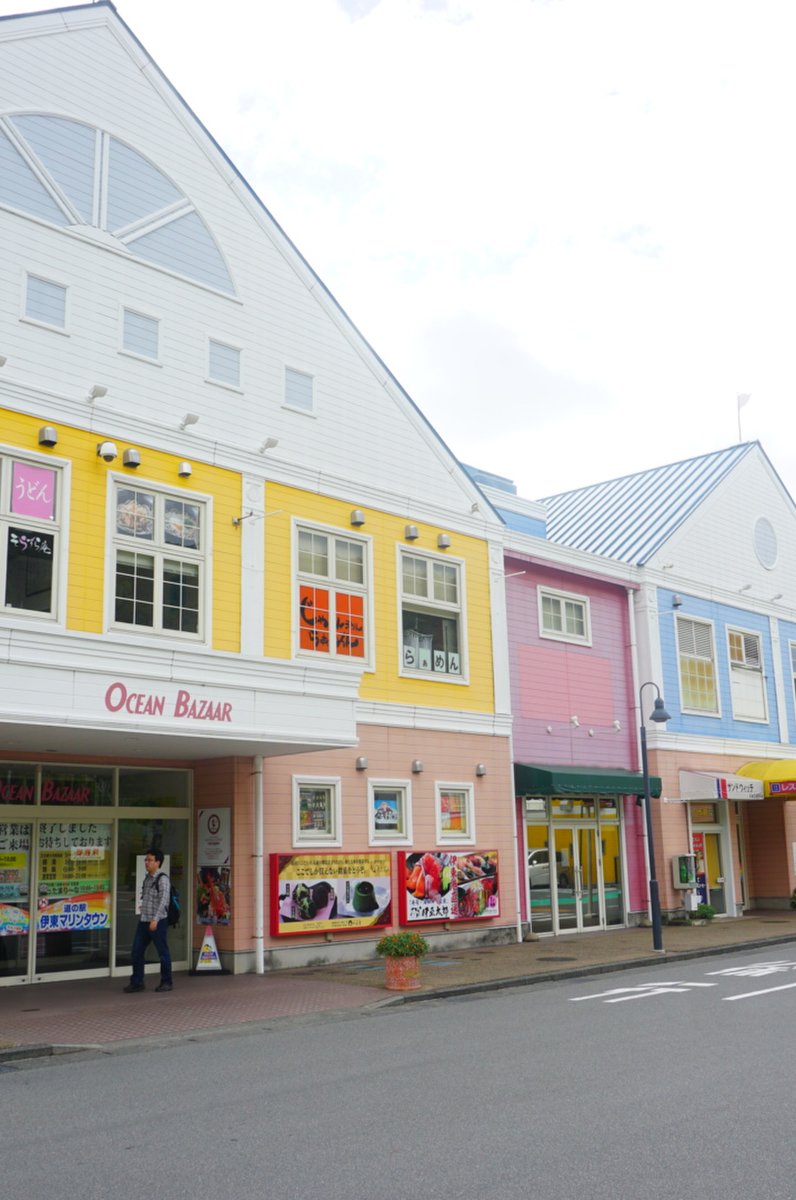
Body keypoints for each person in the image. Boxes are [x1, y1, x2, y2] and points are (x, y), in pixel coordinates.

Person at [124, 848, 173, 993]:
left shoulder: (163, 879)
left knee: (162, 952)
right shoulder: (147, 878)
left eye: (150, 860)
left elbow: (164, 901)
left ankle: (166, 981)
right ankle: (137, 982)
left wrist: (155, 919)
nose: (147, 862)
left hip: (157, 921)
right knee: (137, 951)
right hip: (144, 920)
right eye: (146, 860)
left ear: (158, 862)